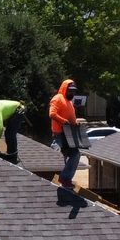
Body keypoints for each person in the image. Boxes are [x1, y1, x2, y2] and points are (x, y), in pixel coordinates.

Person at [49, 78, 86, 207]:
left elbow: (72, 119)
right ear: (65, 89)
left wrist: (75, 123)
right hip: (59, 134)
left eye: (74, 91)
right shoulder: (57, 98)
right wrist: (63, 121)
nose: (72, 93)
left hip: (68, 135)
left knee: (76, 154)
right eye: (70, 91)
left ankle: (66, 178)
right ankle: (58, 175)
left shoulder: (70, 103)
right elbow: (52, 114)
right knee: (57, 153)